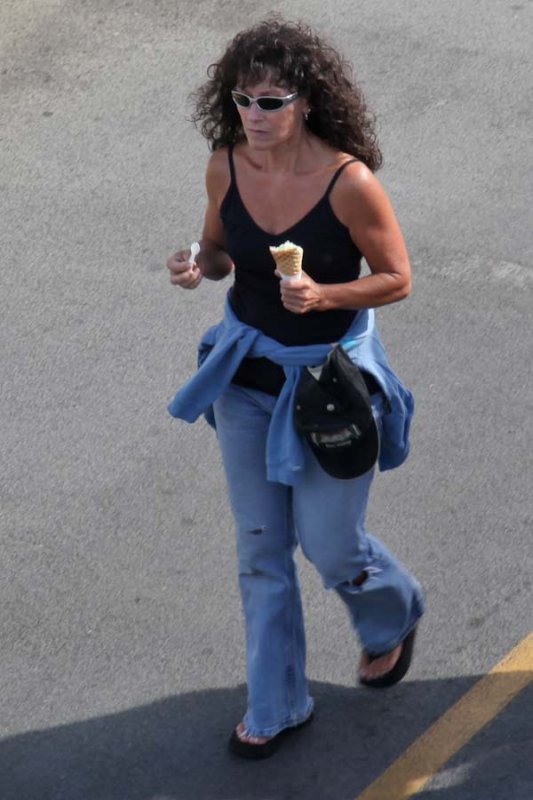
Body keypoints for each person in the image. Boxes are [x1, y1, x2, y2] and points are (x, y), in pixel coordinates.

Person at [166, 18, 424, 759]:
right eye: (242, 100)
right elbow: (219, 253)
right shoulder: (226, 165)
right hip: (244, 381)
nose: (255, 116)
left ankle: (392, 608)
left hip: (327, 386)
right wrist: (194, 262)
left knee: (330, 546)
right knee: (260, 547)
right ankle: (277, 701)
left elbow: (398, 279)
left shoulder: (349, 182)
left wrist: (326, 296)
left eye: (271, 101)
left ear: (305, 101)